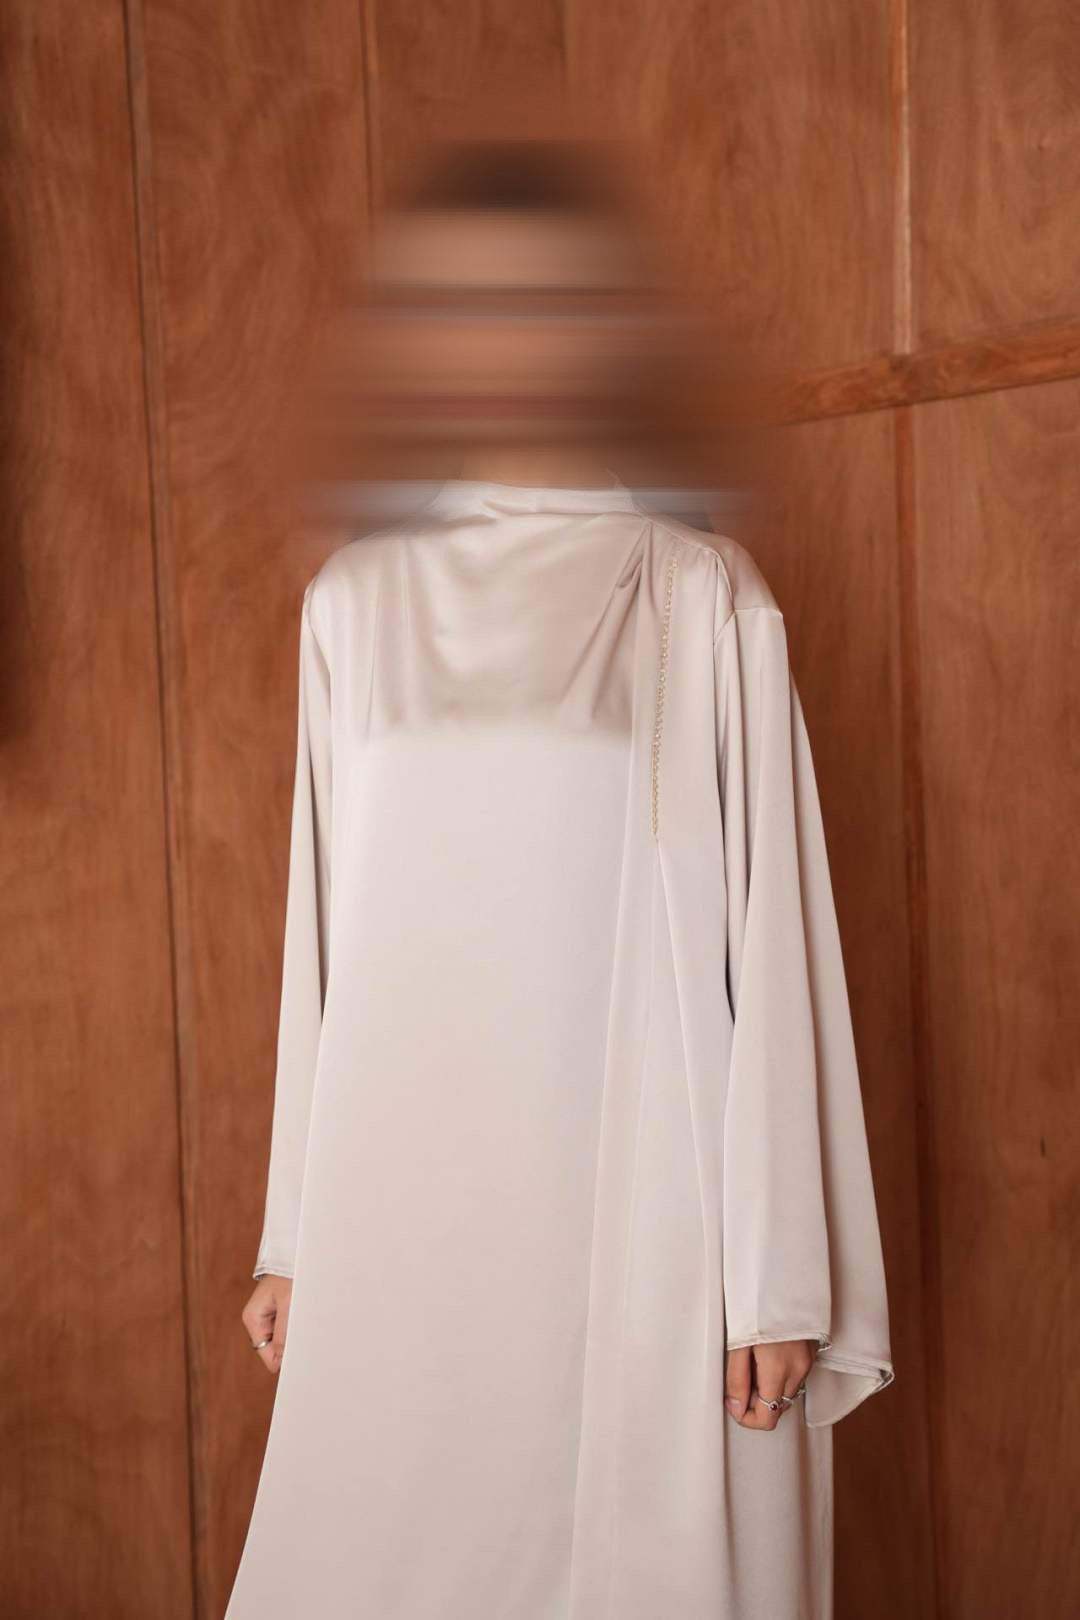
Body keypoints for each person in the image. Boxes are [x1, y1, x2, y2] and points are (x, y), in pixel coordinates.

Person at [226, 137, 892, 1620]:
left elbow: (773, 944)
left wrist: (777, 1273)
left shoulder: (700, 592)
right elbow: (322, 947)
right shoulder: (354, 602)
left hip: (647, 1213)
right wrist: (297, 1237)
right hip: (408, 1209)